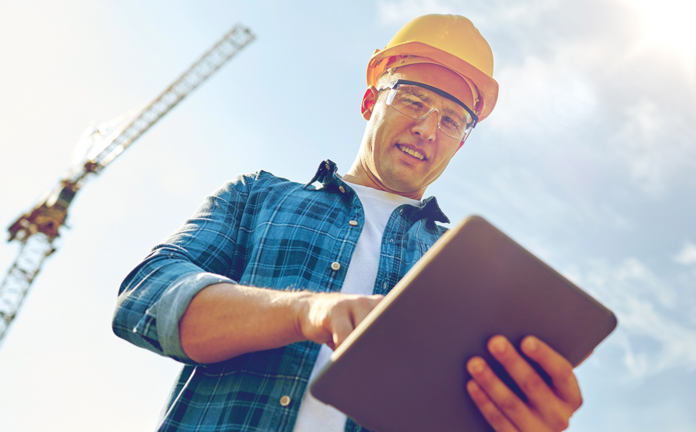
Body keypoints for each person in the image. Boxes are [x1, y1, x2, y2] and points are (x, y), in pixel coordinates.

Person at [113, 14, 584, 432]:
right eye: (413, 100)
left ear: (460, 143)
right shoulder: (258, 196)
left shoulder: (471, 274)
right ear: (369, 101)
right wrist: (304, 312)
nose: (426, 128)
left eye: (452, 120)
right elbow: (146, 298)